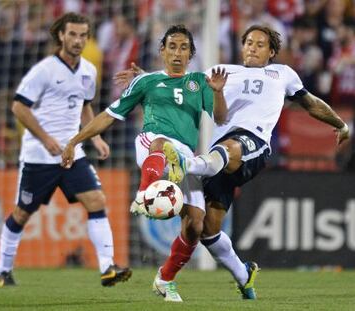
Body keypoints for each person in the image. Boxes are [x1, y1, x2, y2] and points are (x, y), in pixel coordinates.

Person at [113, 24, 350, 302]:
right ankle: (240, 274)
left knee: (224, 152)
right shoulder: (221, 71)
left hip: (253, 145)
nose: (252, 47)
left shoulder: (283, 74)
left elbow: (310, 103)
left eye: (260, 44)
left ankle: (184, 165)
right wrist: (147, 79)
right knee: (203, 229)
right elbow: (178, 83)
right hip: (218, 154)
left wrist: (340, 123)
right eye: (249, 42)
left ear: (272, 51)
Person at [61, 24, 228, 302]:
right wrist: (74, 140)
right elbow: (108, 116)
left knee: (196, 225)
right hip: (152, 143)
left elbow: (221, 119)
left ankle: (165, 279)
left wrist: (219, 92)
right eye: (172, 46)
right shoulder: (146, 82)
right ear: (162, 51)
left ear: (191, 54)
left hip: (184, 157)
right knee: (161, 144)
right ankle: (145, 193)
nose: (177, 53)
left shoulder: (200, 82)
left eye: (183, 48)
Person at [0, 13, 132, 288]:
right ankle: (3, 270)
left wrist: (95, 138)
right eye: (73, 34)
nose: (78, 40)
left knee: (97, 200)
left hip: (72, 153)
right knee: (23, 212)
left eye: (83, 35)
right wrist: (45, 138)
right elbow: (18, 107)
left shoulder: (89, 71)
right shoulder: (44, 70)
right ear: (61, 35)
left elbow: (84, 105)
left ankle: (107, 268)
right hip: (39, 155)